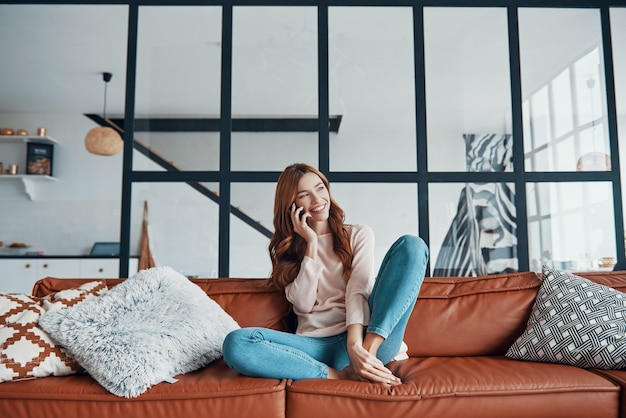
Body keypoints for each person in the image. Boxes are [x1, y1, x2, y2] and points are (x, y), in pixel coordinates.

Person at [222, 163, 429, 385]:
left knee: (412, 246)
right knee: (236, 342)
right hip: (315, 347)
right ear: (292, 206)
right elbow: (303, 305)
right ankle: (340, 375)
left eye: (320, 188)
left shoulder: (358, 234)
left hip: (367, 337)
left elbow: (357, 290)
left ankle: (365, 362)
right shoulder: (289, 252)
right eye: (305, 195)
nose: (317, 199)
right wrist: (310, 244)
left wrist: (358, 348)